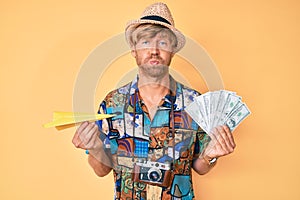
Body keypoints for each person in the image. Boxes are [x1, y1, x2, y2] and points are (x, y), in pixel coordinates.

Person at [72, 2, 235, 200]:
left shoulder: (195, 103)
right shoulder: (112, 103)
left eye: (163, 43)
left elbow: (200, 168)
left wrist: (210, 156)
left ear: (173, 50)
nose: (154, 50)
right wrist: (96, 148)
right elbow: (101, 170)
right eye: (146, 42)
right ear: (134, 50)